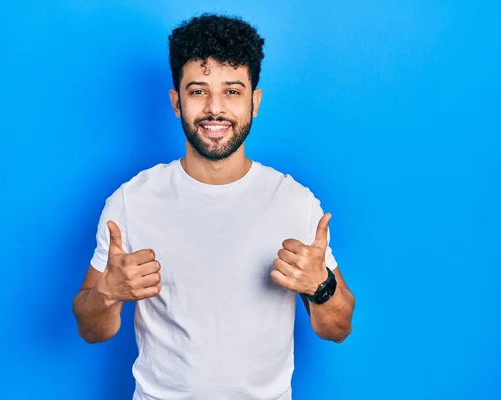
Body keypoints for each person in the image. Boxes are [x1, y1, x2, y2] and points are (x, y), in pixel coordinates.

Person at [72, 12, 356, 400]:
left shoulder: (295, 203)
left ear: (255, 101)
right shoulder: (131, 201)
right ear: (176, 101)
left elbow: (337, 328)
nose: (215, 109)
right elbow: (91, 330)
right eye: (198, 91)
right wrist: (108, 293)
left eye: (233, 91)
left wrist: (321, 287)